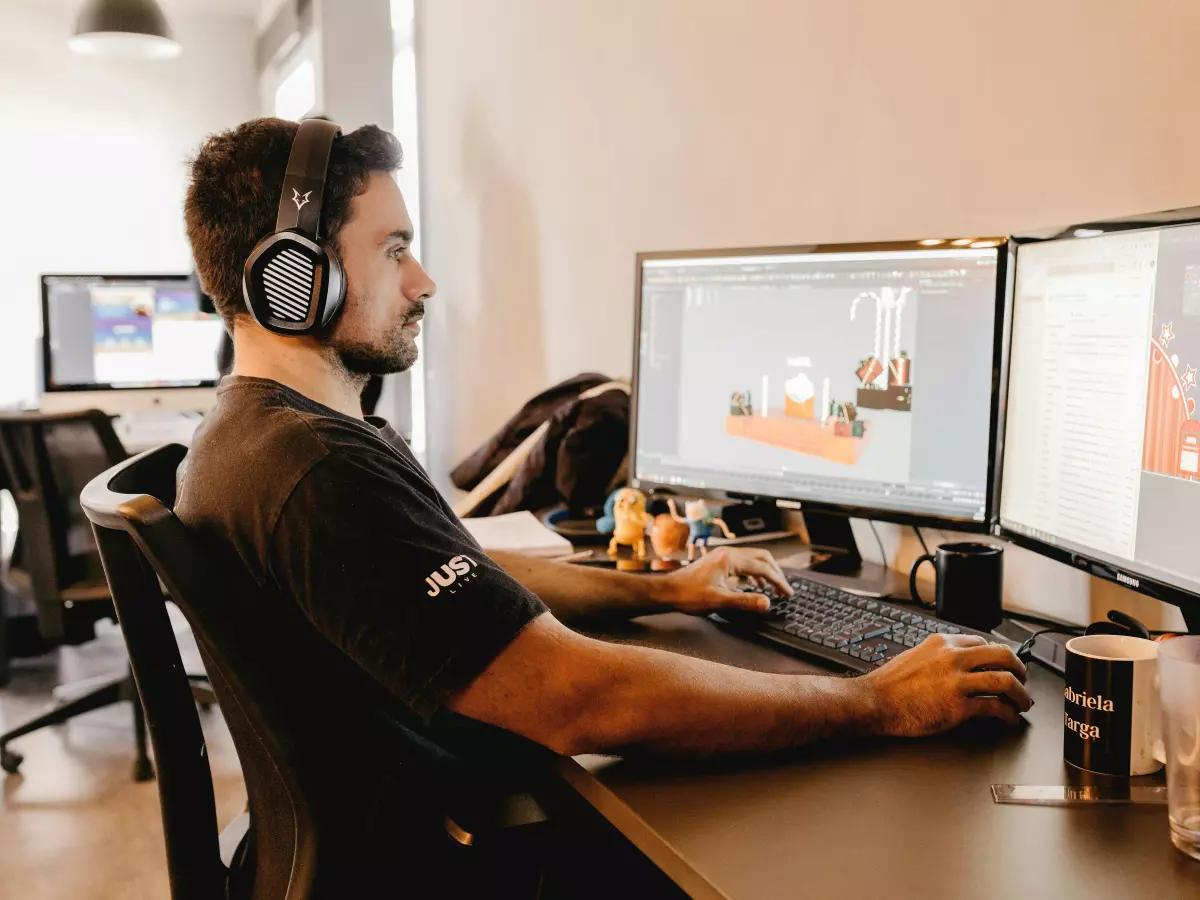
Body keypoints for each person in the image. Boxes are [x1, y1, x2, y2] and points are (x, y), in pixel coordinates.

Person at [179, 118, 1031, 764]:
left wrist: (665, 586)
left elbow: (467, 580)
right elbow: (577, 699)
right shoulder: (318, 471)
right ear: (296, 278)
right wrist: (878, 701)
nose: (423, 280)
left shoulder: (253, 435)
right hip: (455, 854)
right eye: (394, 248)